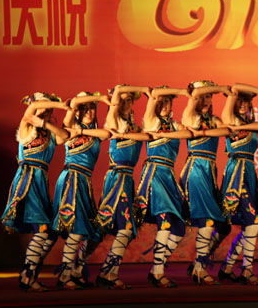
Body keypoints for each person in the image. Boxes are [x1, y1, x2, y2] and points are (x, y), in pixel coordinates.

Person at [1, 92, 70, 292]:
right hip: (28, 179)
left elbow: (64, 136)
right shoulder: (26, 126)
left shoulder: (48, 131)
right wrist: (59, 106)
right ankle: (27, 276)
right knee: (42, 230)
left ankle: (30, 273)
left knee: (51, 233)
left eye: (49, 110)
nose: (47, 111)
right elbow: (30, 112)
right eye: (43, 108)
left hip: (40, 181)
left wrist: (46, 123)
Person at [134, 86, 192, 288]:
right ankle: (158, 272)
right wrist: (155, 95)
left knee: (179, 228)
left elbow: (188, 132)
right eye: (161, 101)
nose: (165, 105)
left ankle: (155, 268)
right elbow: (152, 102)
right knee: (165, 222)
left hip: (169, 176)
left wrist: (187, 95)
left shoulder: (175, 125)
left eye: (168, 101)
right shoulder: (152, 121)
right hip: (155, 174)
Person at [51, 92, 111, 290]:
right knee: (76, 229)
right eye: (85, 109)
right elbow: (73, 108)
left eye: (92, 109)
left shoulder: (94, 132)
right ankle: (64, 275)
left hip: (84, 182)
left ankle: (76, 270)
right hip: (71, 179)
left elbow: (106, 134)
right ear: (77, 111)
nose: (89, 112)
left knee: (96, 232)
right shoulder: (69, 128)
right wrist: (98, 99)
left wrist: (82, 131)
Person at [180, 81, 232, 285]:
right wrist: (219, 88)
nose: (204, 100)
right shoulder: (190, 117)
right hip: (196, 169)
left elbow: (226, 130)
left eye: (208, 96)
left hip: (209, 171)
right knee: (208, 221)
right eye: (201, 96)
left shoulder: (215, 120)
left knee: (223, 226)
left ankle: (197, 264)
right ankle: (200, 270)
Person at [91, 85, 143, 290]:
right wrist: (117, 95)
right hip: (117, 178)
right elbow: (115, 104)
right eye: (121, 100)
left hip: (127, 179)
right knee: (124, 228)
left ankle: (78, 269)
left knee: (104, 229)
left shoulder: (134, 126)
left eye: (129, 100)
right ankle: (107, 273)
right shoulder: (113, 121)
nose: (125, 103)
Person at [218, 84, 258, 286]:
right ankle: (246, 270)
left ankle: (227, 267)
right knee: (252, 222)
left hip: (249, 172)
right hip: (236, 172)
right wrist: (257, 92)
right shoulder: (230, 119)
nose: (242, 104)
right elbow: (234, 90)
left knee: (250, 224)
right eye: (239, 100)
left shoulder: (251, 123)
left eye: (246, 101)